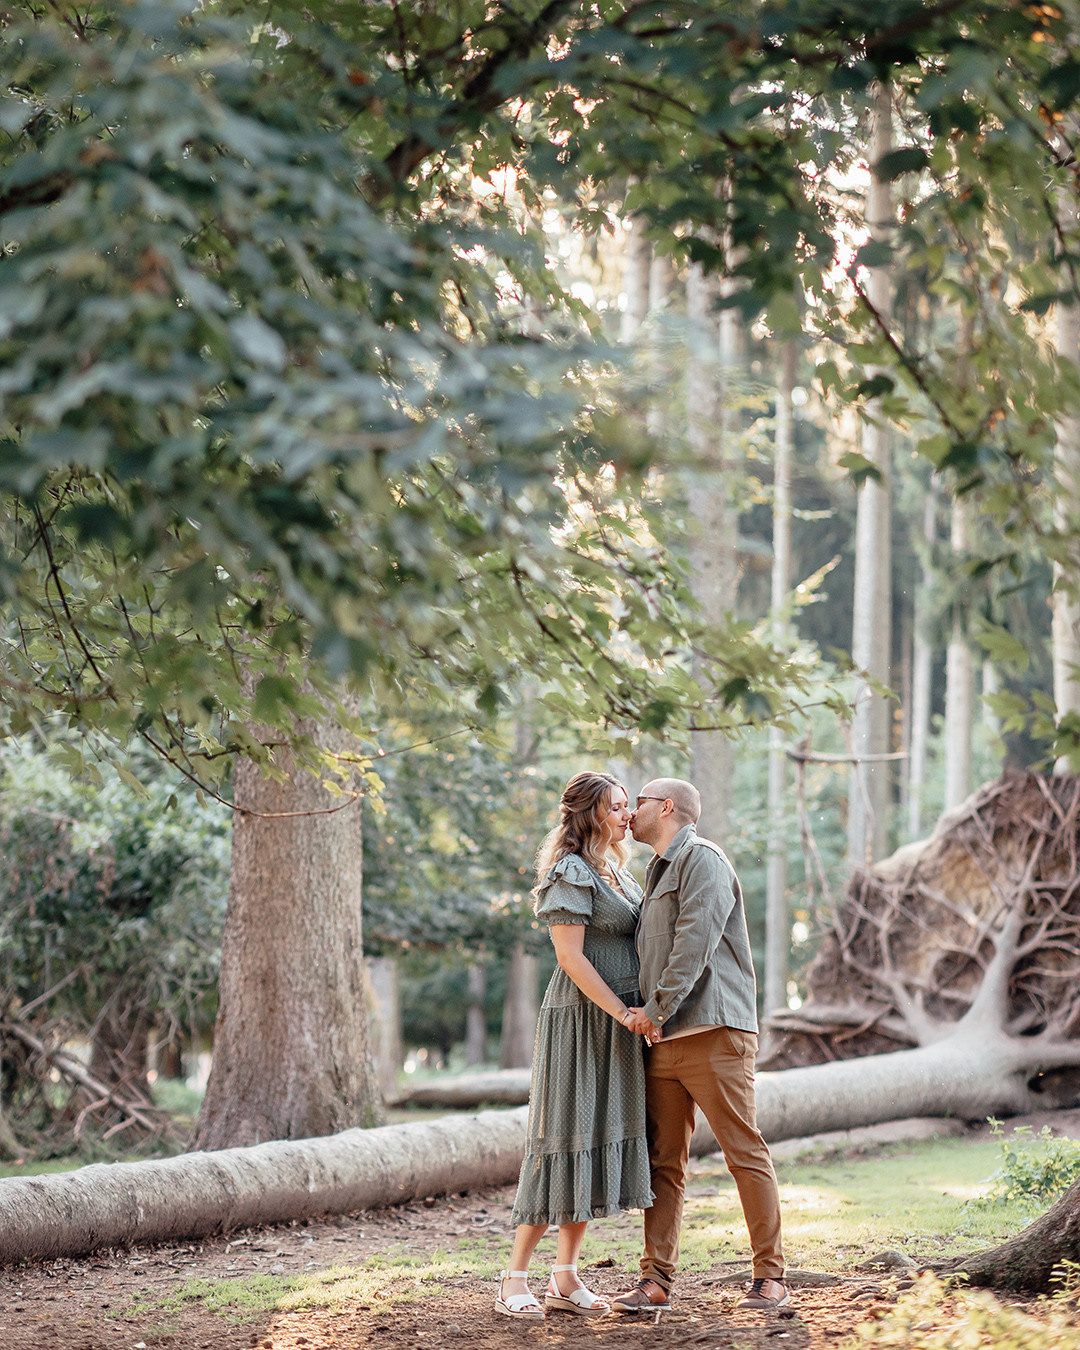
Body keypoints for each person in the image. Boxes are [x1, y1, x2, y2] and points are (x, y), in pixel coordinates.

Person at [612, 778, 790, 1313]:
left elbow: (695, 941)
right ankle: (656, 1282)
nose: (630, 813)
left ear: (665, 807)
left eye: (637, 802)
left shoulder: (704, 860)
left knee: (743, 1150)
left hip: (713, 1032)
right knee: (664, 1161)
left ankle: (772, 1278)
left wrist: (654, 1009)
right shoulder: (655, 869)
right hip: (662, 1039)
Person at [496, 771, 653, 1320]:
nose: (626, 816)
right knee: (559, 1139)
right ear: (589, 814)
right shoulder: (572, 870)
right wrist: (621, 1012)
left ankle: (565, 1275)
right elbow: (570, 958)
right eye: (615, 807)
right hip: (583, 1019)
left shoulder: (621, 871)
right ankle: (515, 1277)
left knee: (590, 1138)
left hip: (621, 1023)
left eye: (628, 806)